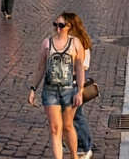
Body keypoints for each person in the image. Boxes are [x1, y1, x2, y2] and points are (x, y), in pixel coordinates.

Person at [27, 12, 86, 159]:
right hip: (50, 91)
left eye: (61, 25)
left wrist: (80, 91)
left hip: (68, 90)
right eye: (55, 25)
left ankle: (74, 155)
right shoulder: (47, 43)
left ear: (68, 27)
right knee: (54, 128)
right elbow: (41, 67)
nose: (57, 29)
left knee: (67, 127)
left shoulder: (75, 43)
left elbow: (79, 69)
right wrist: (33, 89)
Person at [66, 13, 97, 159]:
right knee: (70, 117)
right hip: (70, 82)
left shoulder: (78, 44)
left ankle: (86, 146)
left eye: (63, 25)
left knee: (77, 116)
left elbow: (82, 67)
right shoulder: (73, 41)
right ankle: (75, 144)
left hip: (75, 81)